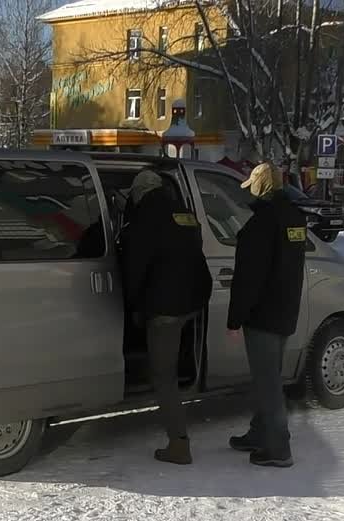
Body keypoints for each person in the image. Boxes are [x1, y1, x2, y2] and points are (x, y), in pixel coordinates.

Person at [122, 169, 213, 465]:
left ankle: (179, 444)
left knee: (164, 376)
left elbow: (136, 268)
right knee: (175, 360)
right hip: (192, 301)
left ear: (139, 193)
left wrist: (133, 306)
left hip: (164, 309)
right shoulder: (183, 212)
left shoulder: (143, 219)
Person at [226, 162, 309, 468]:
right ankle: (258, 433)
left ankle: (278, 448)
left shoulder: (259, 225)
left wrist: (235, 319)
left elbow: (248, 278)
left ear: (259, 188)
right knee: (269, 378)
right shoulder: (294, 217)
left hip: (262, 316)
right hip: (286, 311)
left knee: (268, 384)